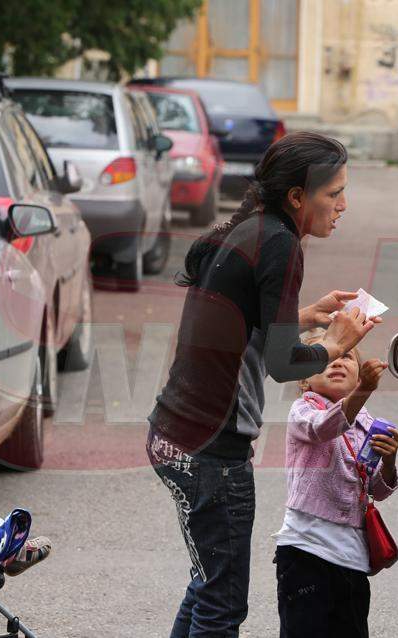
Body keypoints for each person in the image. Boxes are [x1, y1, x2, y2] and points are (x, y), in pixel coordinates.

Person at [146, 132, 380, 637]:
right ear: (297, 197)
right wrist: (336, 343)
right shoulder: (281, 244)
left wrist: (301, 316)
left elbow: (243, 331)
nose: (344, 204)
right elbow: (283, 364)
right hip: (211, 449)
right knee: (222, 606)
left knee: (208, 586)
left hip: (175, 435)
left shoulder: (254, 227)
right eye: (333, 193)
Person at [274, 328, 398, 638]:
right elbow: (322, 428)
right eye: (325, 357)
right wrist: (363, 393)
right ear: (304, 378)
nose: (336, 362)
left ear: (359, 374)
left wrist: (390, 461)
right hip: (305, 552)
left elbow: (376, 490)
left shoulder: (368, 423)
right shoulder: (303, 410)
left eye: (345, 355)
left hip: (353, 559)